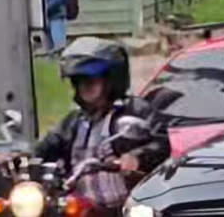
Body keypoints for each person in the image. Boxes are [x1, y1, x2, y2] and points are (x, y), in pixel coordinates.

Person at [31, 38, 170, 217]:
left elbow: (161, 143)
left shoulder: (134, 110)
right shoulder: (74, 121)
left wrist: (137, 157)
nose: (86, 85)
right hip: (82, 208)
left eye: (92, 79)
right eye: (80, 80)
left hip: (126, 207)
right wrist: (23, 156)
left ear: (110, 79)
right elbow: (47, 145)